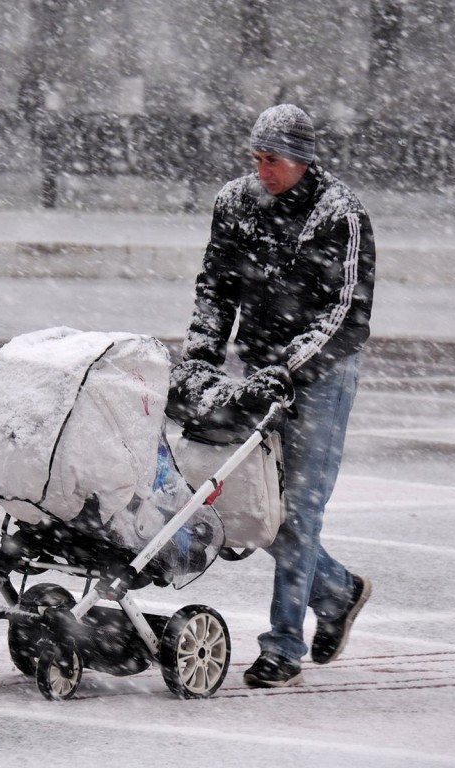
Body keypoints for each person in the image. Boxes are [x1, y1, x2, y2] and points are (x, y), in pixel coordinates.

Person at [171, 104, 375, 688]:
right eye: (256, 158)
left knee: (301, 509)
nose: (263, 170)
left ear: (303, 159)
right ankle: (337, 592)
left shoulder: (341, 213)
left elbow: (346, 313)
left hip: (322, 375)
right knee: (255, 505)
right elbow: (215, 287)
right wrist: (203, 359)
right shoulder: (234, 203)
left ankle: (283, 646)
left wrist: (292, 366)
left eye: (273, 160)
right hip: (260, 368)